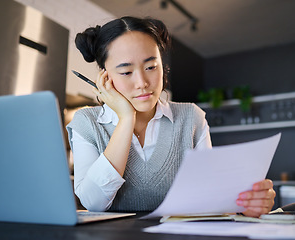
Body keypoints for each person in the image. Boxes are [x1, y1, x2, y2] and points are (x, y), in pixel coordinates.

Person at [66, 16, 275, 217]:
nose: (142, 82)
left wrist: (242, 205)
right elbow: (93, 203)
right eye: (126, 72)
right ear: (105, 78)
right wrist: (126, 119)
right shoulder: (87, 123)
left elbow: (207, 196)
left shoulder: (191, 118)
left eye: (150, 67)